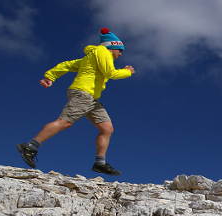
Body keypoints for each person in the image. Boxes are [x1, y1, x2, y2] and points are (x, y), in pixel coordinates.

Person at [17, 27, 135, 175]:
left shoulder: (91, 57)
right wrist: (127, 72)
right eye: (120, 50)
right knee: (65, 122)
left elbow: (67, 65)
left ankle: (100, 163)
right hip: (83, 93)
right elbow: (110, 73)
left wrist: (50, 76)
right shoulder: (102, 52)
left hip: (92, 99)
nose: (121, 53)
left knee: (107, 128)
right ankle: (30, 146)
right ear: (113, 47)